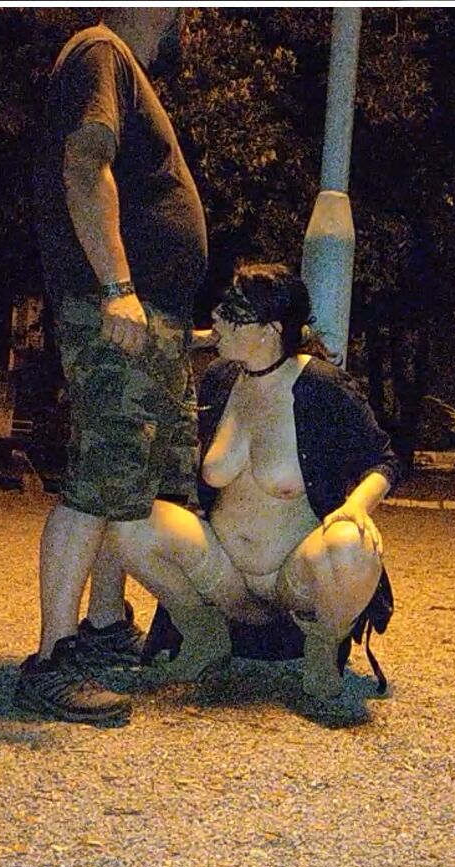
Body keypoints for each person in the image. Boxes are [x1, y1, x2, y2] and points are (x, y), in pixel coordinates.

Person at [18, 7, 208, 724]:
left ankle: (101, 625)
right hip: (120, 310)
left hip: (146, 314)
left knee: (125, 484)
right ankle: (50, 660)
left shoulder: (122, 67)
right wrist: (117, 289)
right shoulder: (101, 52)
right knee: (99, 480)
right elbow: (85, 164)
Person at [110, 264, 400, 702]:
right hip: (223, 574)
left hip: (292, 579)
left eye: (233, 312)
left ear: (271, 329)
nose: (217, 318)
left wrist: (356, 506)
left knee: (351, 545)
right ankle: (204, 636)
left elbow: (384, 459)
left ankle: (322, 648)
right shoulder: (220, 378)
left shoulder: (321, 385)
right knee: (127, 521)